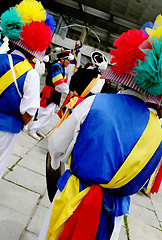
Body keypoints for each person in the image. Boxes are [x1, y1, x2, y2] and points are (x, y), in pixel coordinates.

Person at [38, 18, 162, 240]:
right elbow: (143, 180)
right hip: (112, 213)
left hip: (72, 196)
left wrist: (60, 165)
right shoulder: (158, 132)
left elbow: (56, 146)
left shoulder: (94, 102)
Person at [0, 0, 55, 178]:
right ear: (34, 48)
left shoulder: (0, 59)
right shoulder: (30, 74)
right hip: (7, 128)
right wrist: (22, 123)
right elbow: (29, 112)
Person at [28, 51, 73, 140]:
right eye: (68, 60)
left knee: (50, 112)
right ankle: (33, 130)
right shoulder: (56, 67)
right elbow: (58, 83)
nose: (69, 63)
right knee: (45, 112)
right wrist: (67, 89)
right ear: (62, 59)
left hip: (55, 93)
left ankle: (38, 129)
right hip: (50, 92)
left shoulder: (61, 67)